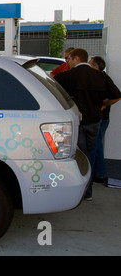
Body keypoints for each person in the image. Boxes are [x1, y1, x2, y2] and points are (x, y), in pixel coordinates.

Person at [54, 49, 121, 200]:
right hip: (95, 121)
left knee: (76, 157)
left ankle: (77, 191)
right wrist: (103, 105)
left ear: (76, 59)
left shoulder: (65, 77)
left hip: (75, 123)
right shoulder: (100, 76)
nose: (67, 62)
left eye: (69, 59)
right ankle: (88, 192)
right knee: (90, 155)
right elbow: (116, 95)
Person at [89, 56, 121, 183]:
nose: (88, 66)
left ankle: (99, 174)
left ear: (96, 67)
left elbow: (117, 95)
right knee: (96, 145)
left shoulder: (103, 78)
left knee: (97, 146)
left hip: (102, 118)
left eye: (90, 64)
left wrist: (104, 105)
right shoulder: (98, 78)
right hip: (99, 118)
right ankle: (98, 173)